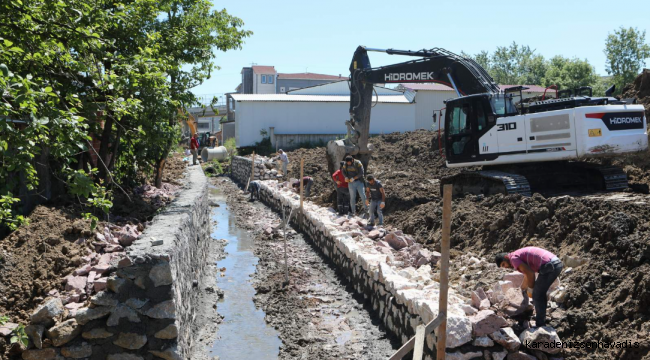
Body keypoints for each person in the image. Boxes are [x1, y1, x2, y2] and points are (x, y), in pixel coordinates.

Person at [495, 247, 563, 327]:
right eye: (503, 267)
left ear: (506, 257)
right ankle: (542, 318)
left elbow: (530, 274)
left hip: (550, 266)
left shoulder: (513, 259)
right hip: (554, 263)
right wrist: (521, 290)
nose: (505, 267)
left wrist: (530, 289)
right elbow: (526, 275)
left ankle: (540, 324)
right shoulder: (516, 255)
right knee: (540, 293)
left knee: (537, 294)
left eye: (503, 264)